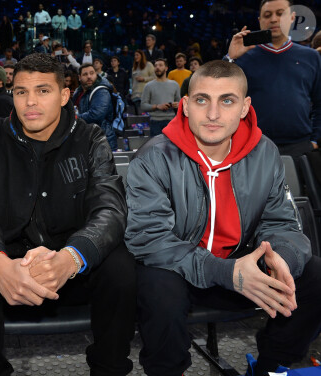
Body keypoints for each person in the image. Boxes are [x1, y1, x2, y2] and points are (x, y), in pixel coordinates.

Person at [125, 60, 321, 376]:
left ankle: (270, 366)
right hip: (181, 271)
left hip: (241, 265)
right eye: (202, 100)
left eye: (226, 100)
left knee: (313, 274)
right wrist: (222, 270)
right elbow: (149, 239)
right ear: (186, 105)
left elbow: (281, 222)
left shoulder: (265, 152)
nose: (213, 114)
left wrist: (282, 258)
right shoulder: (153, 156)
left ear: (244, 107)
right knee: (157, 283)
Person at [0, 52, 136, 376]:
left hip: (73, 259)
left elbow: (110, 207)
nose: (30, 102)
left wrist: (72, 257)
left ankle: (109, 369)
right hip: (10, 261)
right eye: (21, 92)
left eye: (43, 90)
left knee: (119, 265)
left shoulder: (90, 138)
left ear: (65, 95)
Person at [225, 0, 321, 157]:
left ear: (292, 17)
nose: (274, 19)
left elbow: (319, 103)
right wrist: (230, 57)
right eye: (267, 15)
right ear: (260, 21)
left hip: (301, 147)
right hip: (253, 147)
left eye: (281, 13)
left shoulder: (311, 57)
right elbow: (219, 96)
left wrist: (315, 140)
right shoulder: (242, 58)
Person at [72, 63, 117, 150]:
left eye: (92, 73)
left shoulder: (101, 91)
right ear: (79, 77)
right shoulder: (78, 91)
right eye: (85, 74)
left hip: (102, 140)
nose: (89, 76)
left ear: (96, 74)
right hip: (85, 138)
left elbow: (96, 115)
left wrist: (75, 117)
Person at [140, 58, 180, 136]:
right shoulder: (148, 86)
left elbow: (179, 104)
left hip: (171, 121)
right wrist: (157, 106)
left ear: (166, 68)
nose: (157, 67)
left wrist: (177, 105)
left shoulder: (175, 85)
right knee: (157, 147)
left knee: (171, 147)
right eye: (156, 66)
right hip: (155, 122)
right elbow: (143, 105)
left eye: (160, 65)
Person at [131, 50, 155, 115]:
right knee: (139, 118)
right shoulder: (134, 68)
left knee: (146, 117)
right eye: (135, 55)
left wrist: (144, 79)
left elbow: (154, 77)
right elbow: (133, 82)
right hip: (135, 96)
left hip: (146, 95)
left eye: (137, 55)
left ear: (142, 56)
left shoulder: (148, 65)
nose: (135, 57)